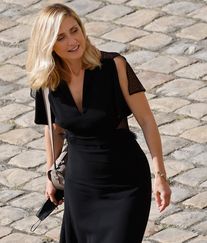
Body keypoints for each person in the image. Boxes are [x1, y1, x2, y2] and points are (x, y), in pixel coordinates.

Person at [27, 4, 171, 242]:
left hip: (126, 182)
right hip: (80, 186)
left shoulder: (115, 65)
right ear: (48, 44)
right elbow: (53, 129)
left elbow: (146, 120)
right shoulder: (47, 83)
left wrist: (160, 176)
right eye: (61, 37)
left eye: (75, 30)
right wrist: (50, 174)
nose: (73, 41)